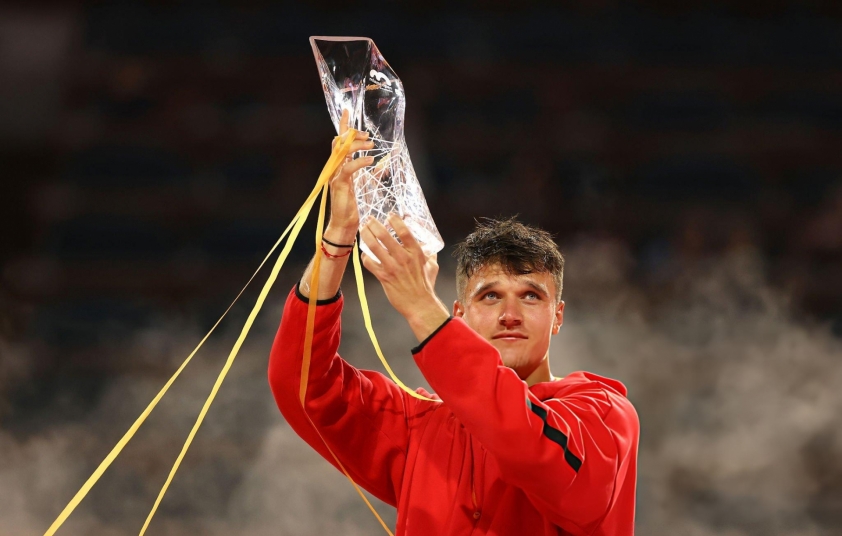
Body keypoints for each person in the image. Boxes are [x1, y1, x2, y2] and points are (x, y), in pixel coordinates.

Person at [268, 116, 639, 535]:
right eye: (490, 296)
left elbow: (537, 455)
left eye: (531, 296)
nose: (510, 313)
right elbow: (303, 386)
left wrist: (422, 308)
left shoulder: (603, 414)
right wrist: (337, 240)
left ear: (558, 316)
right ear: (459, 314)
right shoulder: (418, 426)